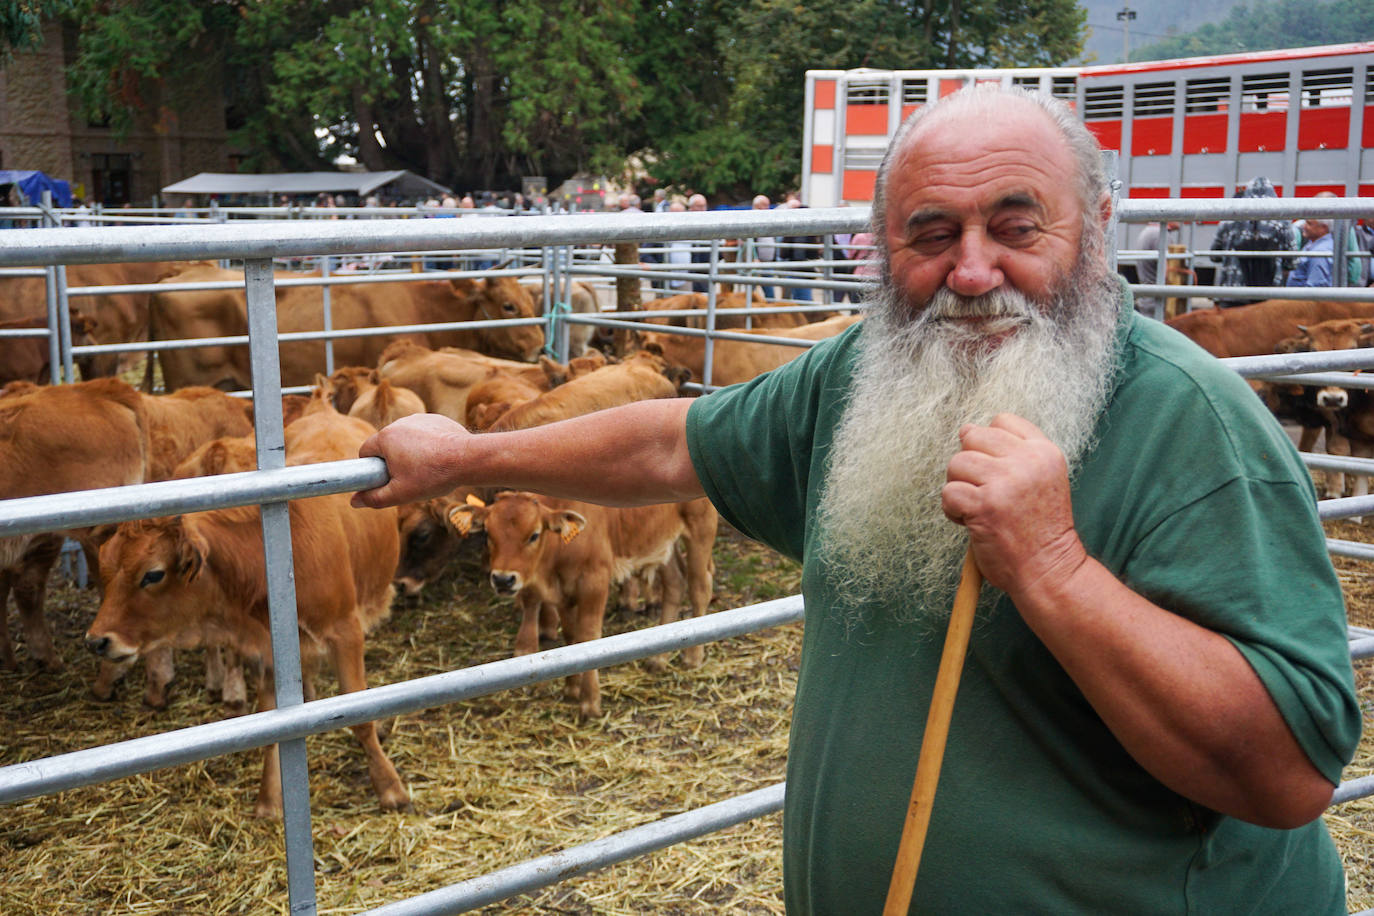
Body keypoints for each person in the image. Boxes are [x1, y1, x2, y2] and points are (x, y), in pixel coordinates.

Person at [351, 85, 1358, 913]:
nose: (971, 270)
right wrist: (470, 457)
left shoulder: (1195, 428)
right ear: (880, 246)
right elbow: (669, 441)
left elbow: (1288, 774)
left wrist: (1055, 567)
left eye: (1016, 225)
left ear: (1096, 228)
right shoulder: (864, 381)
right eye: (931, 233)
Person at [1209, 177, 1294, 307]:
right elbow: (1292, 262)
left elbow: (1214, 255)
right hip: (1268, 295)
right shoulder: (1282, 222)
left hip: (1231, 293)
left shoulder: (1228, 220)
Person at [1287, 216, 1335, 288]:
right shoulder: (1314, 243)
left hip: (1301, 297)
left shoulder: (1319, 253)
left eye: (1309, 224)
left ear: (1323, 228)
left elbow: (1316, 288)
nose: (1304, 226)